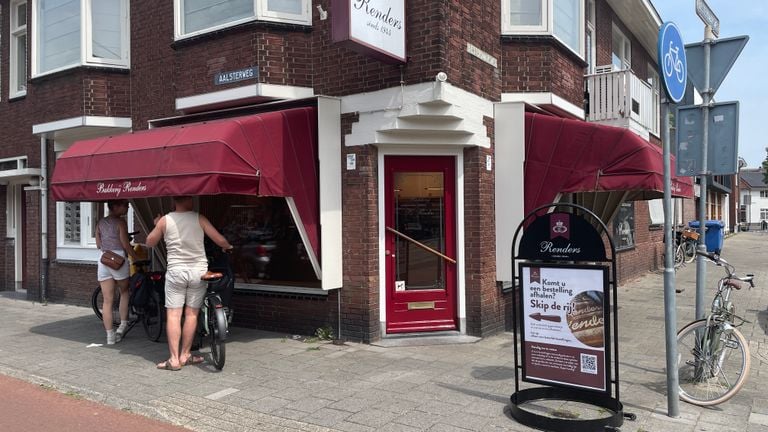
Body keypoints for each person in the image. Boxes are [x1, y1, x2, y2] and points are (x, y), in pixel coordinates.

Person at [146, 196, 233, 370]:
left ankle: (174, 360)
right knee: (192, 314)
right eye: (190, 198)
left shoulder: (165, 220)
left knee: (173, 315)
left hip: (176, 272)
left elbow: (149, 242)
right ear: (186, 200)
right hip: (198, 272)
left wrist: (158, 225)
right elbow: (220, 240)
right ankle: (185, 354)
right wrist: (228, 246)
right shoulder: (198, 218)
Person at [95, 200, 138, 345]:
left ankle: (110, 337)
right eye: (125, 205)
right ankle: (123, 325)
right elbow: (126, 244)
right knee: (124, 292)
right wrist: (136, 257)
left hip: (104, 260)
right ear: (115, 207)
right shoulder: (120, 222)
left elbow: (98, 244)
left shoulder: (100, 222)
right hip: (118, 260)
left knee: (107, 300)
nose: (127, 207)